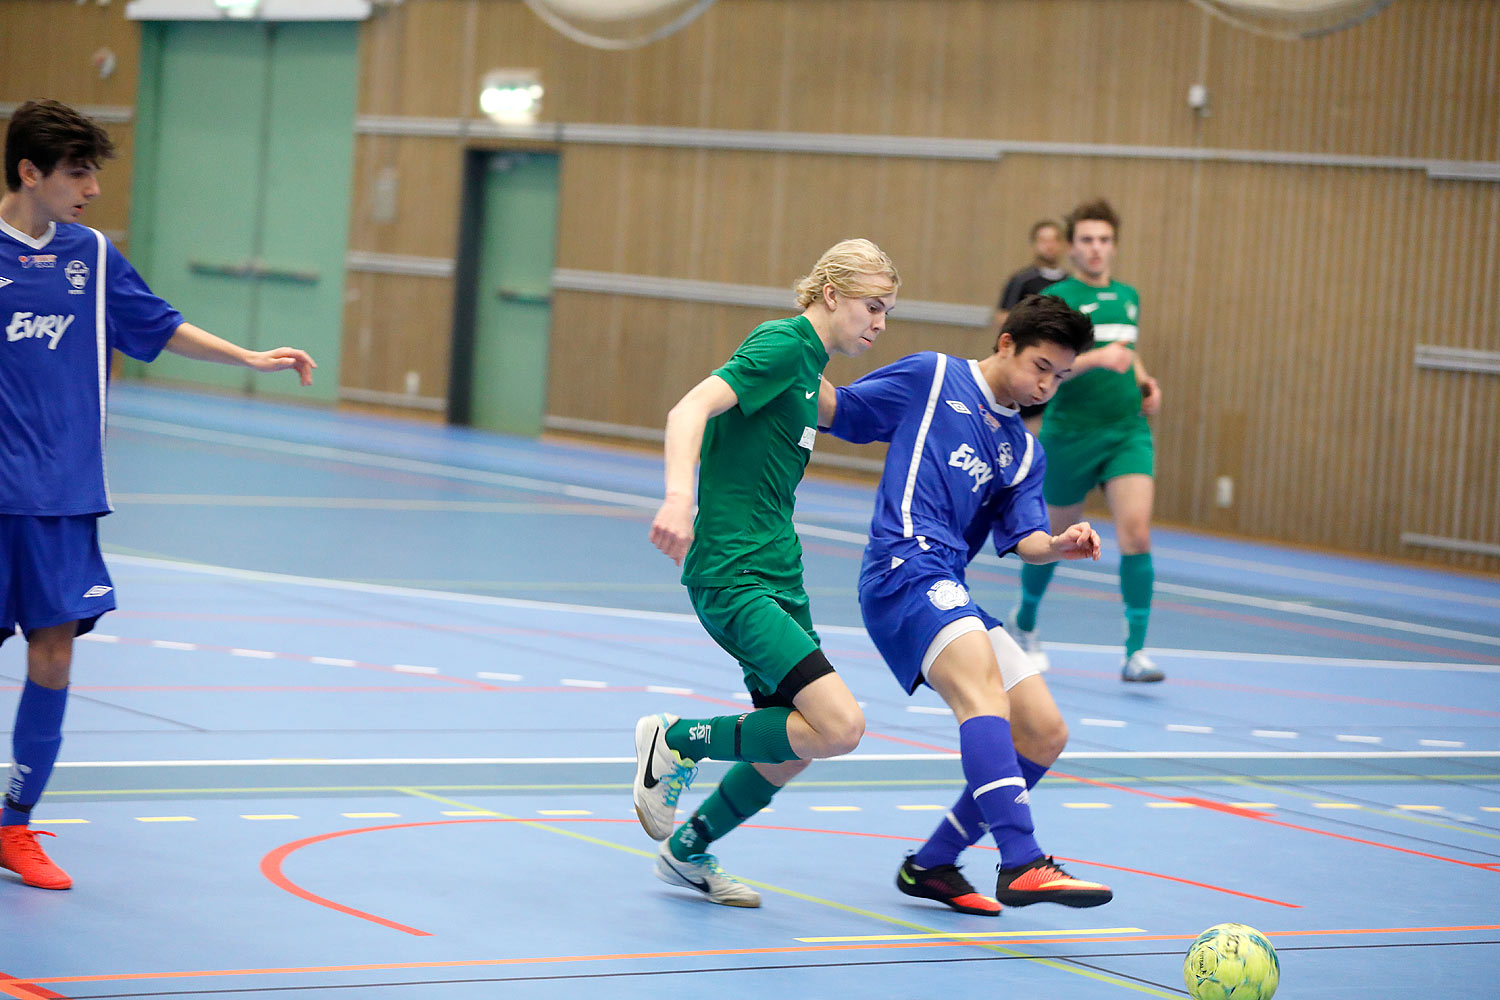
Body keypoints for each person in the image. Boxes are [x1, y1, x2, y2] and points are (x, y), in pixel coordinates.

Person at [0, 99, 316, 890]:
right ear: (29, 173)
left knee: (54, 654)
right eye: (77, 173)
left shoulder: (92, 257)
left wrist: (250, 356)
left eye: (94, 173)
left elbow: (158, 327)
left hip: (64, 496)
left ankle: (14, 824)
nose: (92, 190)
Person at [819, 293, 1114, 915]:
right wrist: (791, 354)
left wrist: (1059, 544)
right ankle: (1022, 860)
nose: (1046, 386)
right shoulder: (933, 377)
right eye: (1040, 367)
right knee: (983, 695)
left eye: (1059, 377)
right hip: (902, 566)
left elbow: (1025, 539)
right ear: (1005, 343)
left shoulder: (1024, 451)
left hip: (949, 583)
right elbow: (840, 410)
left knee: (1043, 732)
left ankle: (930, 865)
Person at [636, 239, 897, 906]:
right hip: (736, 571)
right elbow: (687, 410)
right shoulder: (783, 345)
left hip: (780, 574)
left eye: (888, 311)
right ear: (830, 294)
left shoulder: (811, 371)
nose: (879, 323)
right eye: (873, 306)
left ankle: (688, 852)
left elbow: (865, 418)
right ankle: (675, 740)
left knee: (796, 742)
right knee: (840, 725)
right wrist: (678, 497)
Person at [1013, 198, 1165, 683]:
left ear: (1113, 245)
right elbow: (1048, 364)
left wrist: (1146, 381)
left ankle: (1136, 652)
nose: (1096, 249)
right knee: (1056, 539)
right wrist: (1100, 360)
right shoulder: (1061, 299)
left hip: (1125, 431)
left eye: (1104, 240)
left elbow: (1129, 351)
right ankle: (1026, 622)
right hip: (1070, 434)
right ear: (1072, 247)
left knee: (1136, 532)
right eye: (1086, 240)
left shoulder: (1129, 296)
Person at [994, 220, 1068, 430]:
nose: (1049, 246)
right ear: (1034, 244)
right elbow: (1004, 318)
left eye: (1054, 240)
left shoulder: (1069, 283)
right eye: (1043, 240)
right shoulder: (1022, 280)